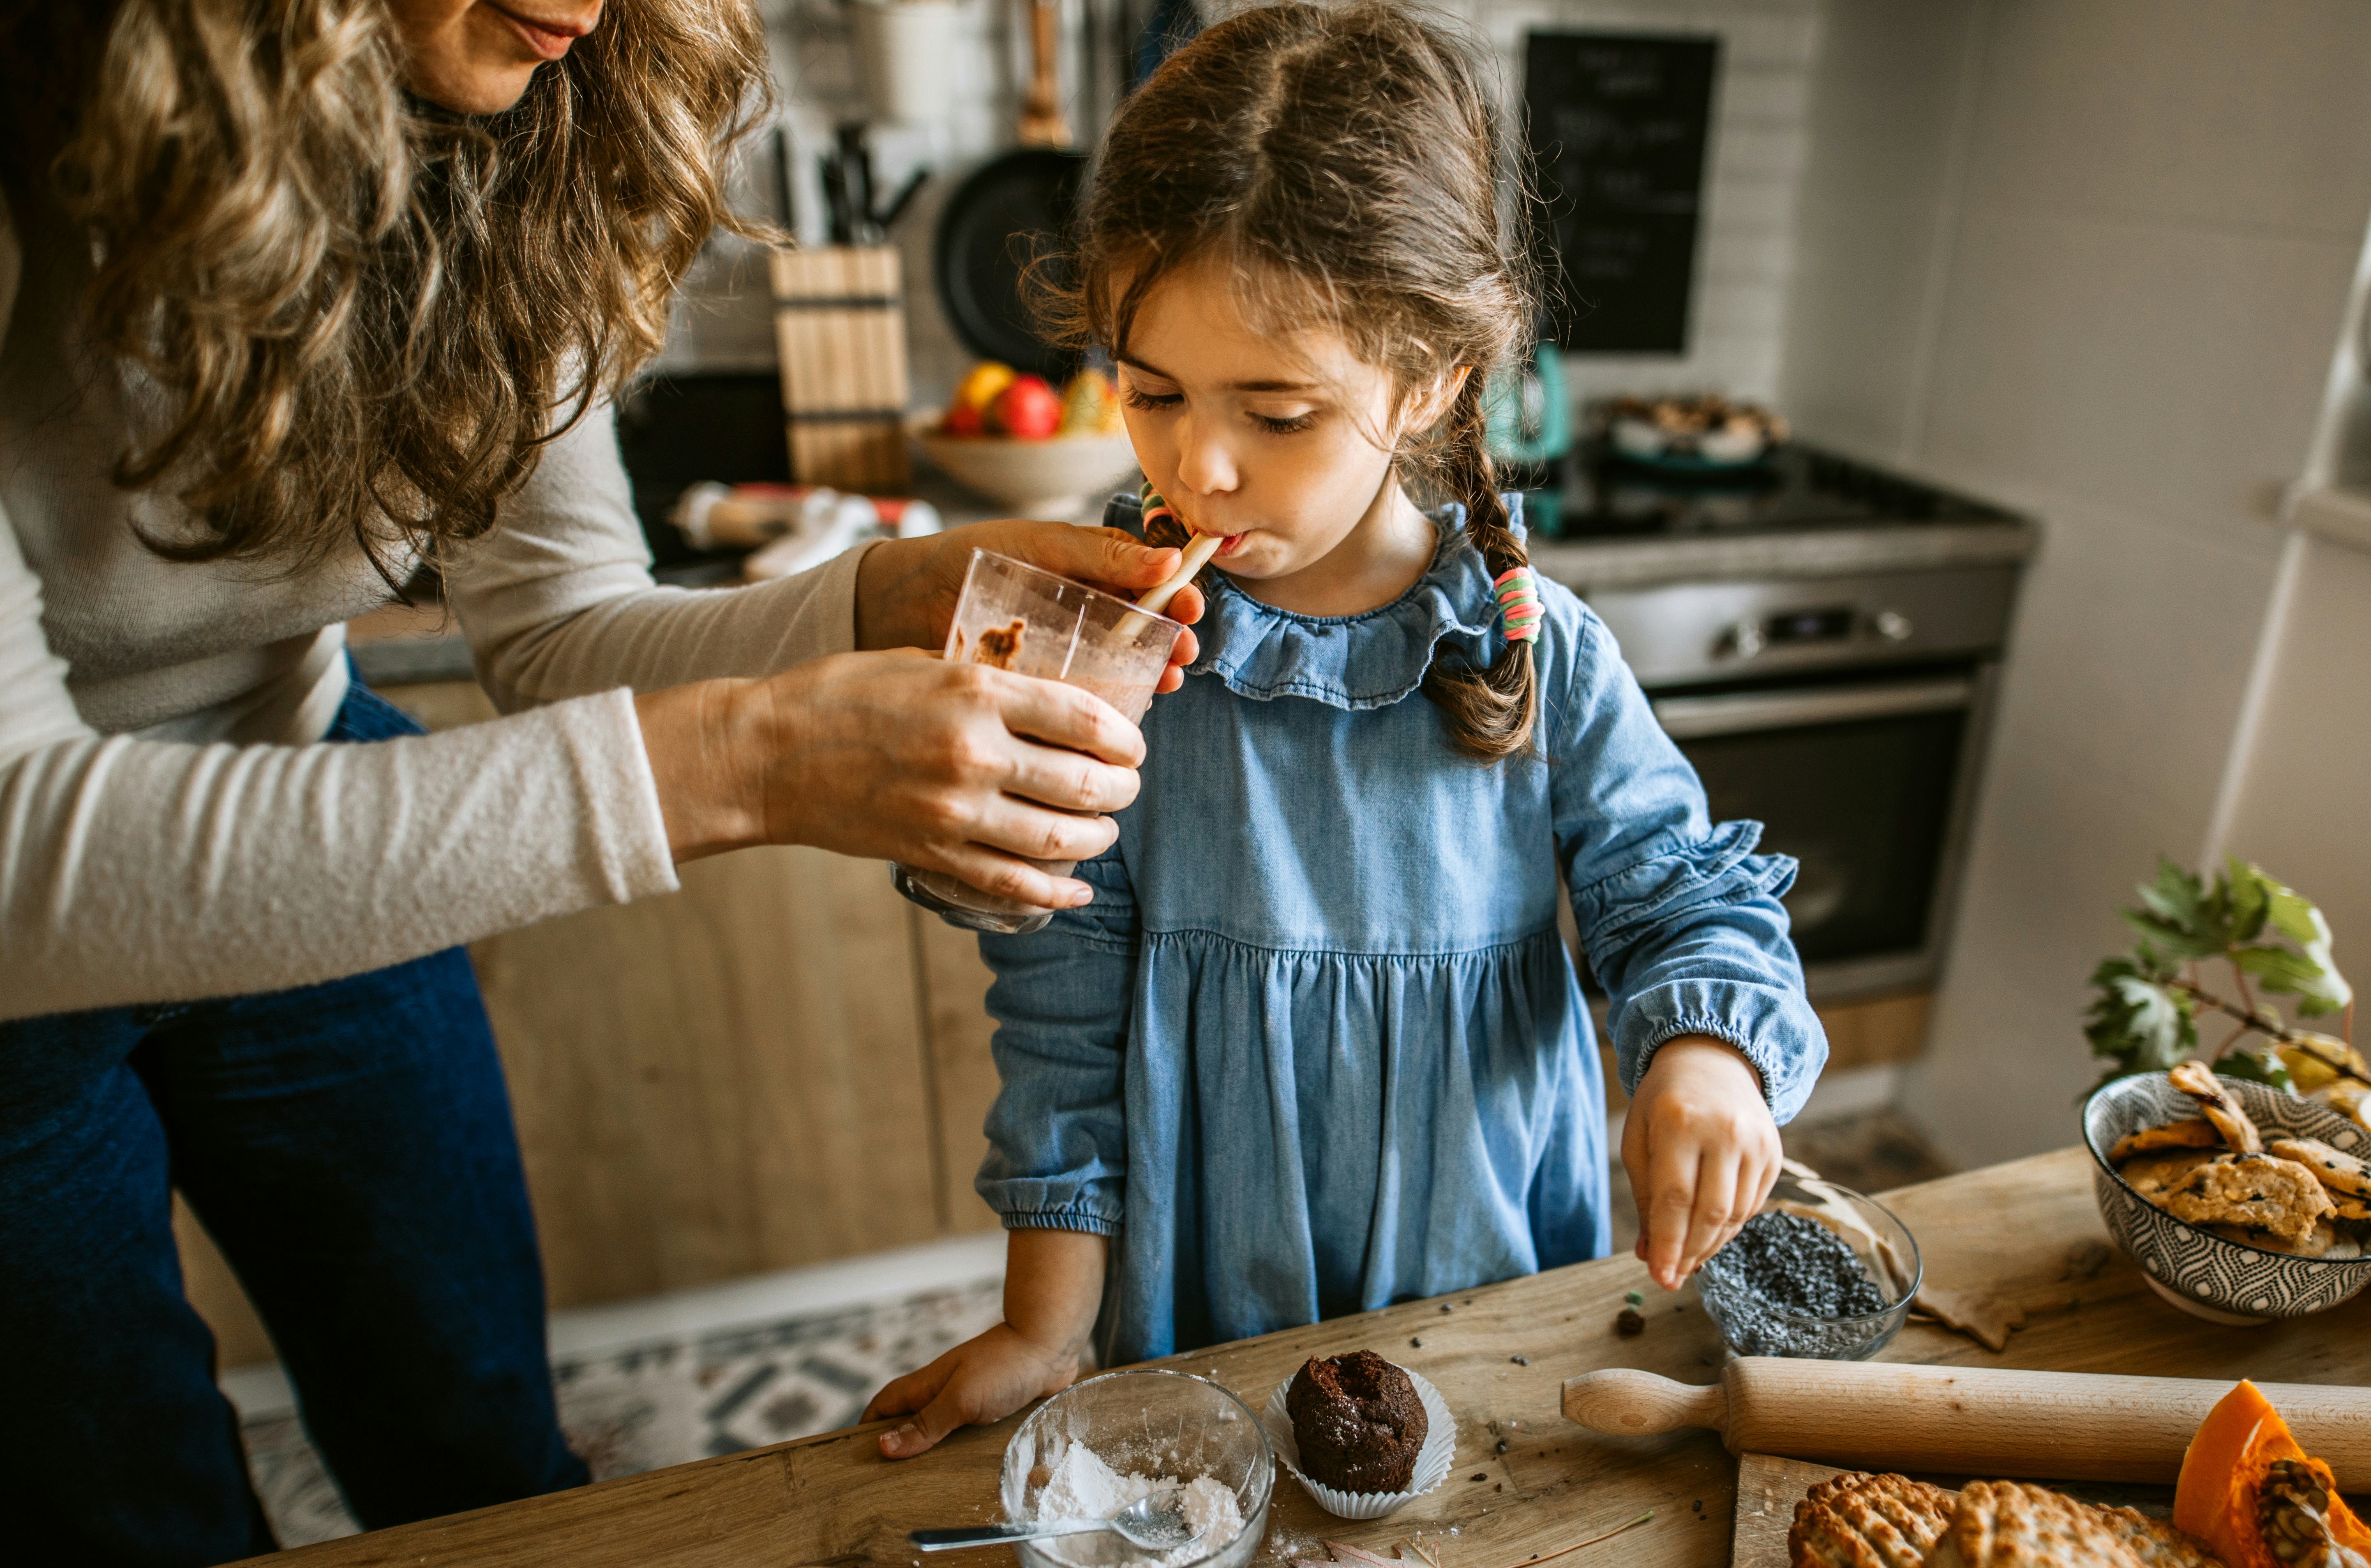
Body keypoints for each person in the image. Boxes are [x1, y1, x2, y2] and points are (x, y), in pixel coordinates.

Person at [0, 0, 1199, 1561]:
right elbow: (23, 858)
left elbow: (558, 630)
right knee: (127, 1511)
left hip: (310, 769)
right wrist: (744, 759)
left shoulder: (533, 135)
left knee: (481, 1445)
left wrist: (872, 600)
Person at [863, 1, 1828, 1458]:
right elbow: (1059, 1012)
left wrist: (1705, 1056)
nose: (1200, 462)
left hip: (1491, 1266)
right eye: (1151, 392)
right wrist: (1046, 1324)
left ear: (1428, 381)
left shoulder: (1534, 647)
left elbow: (1679, 899)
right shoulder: (1106, 660)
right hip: (1217, 1284)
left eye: (1280, 409)